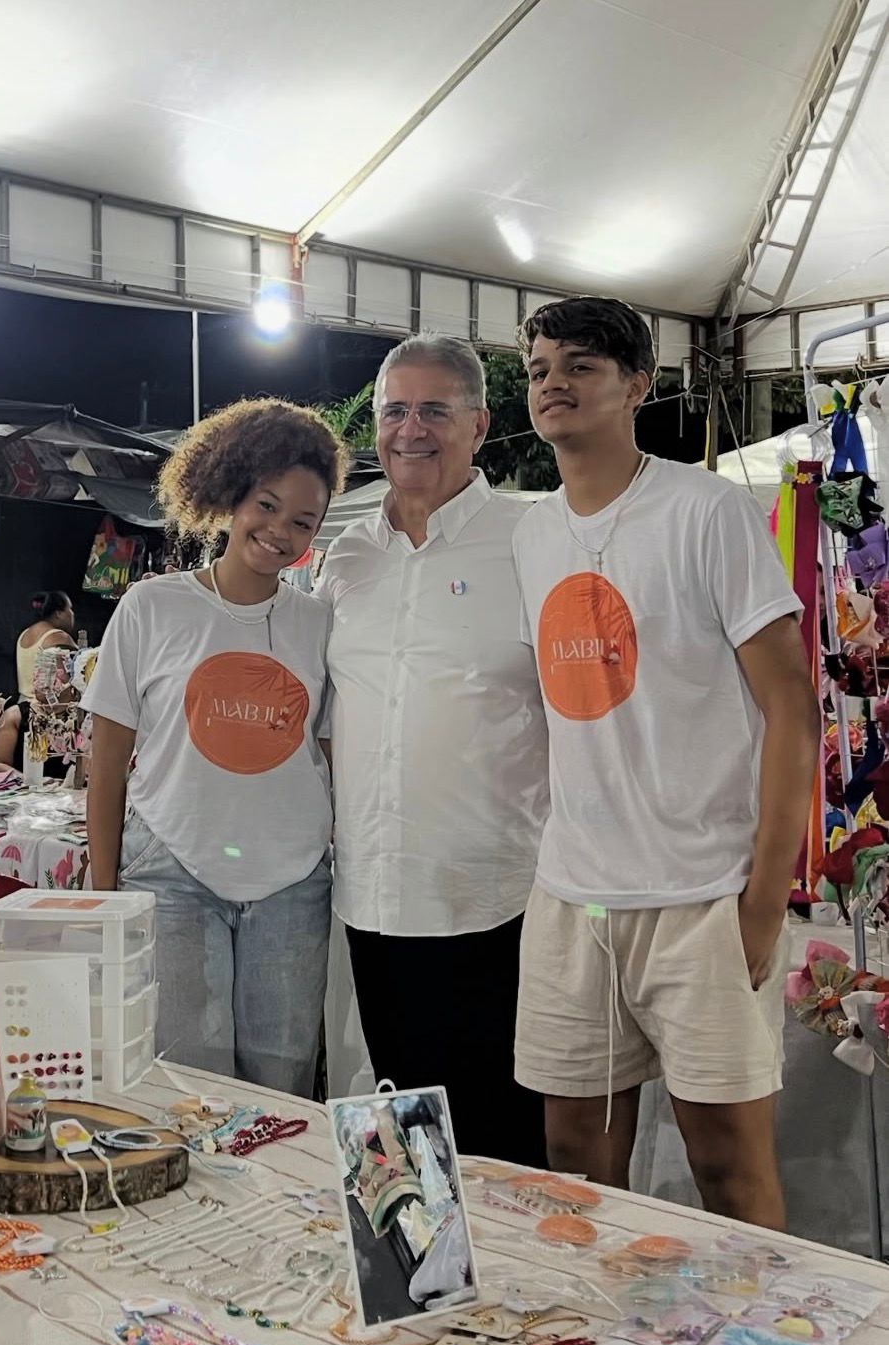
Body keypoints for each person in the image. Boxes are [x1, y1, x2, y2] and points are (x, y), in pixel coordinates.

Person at [510, 296, 820, 1229]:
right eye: (538, 370)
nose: (554, 384)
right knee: (576, 1162)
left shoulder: (706, 509)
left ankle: (768, 1325)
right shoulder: (531, 533)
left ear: (638, 385)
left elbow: (792, 708)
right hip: (574, 898)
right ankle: (603, 1319)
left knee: (727, 1167)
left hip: (701, 895)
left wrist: (763, 897)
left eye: (580, 365)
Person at [319, 334, 549, 1165]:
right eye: (394, 411)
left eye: (433, 411)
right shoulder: (346, 556)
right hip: (373, 899)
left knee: (504, 1145)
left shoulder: (533, 539)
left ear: (479, 425)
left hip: (495, 901)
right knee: (405, 1147)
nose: (409, 430)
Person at [82, 398, 347, 1095]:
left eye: (303, 522)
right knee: (185, 1088)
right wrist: (105, 896)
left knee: (283, 1086)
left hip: (293, 885)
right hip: (170, 874)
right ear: (231, 495)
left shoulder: (320, 624)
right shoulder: (151, 607)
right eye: (267, 505)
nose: (279, 531)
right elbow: (105, 766)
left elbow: (331, 757)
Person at [0, 590, 80, 769]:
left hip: (23, 708)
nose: (72, 614)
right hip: (47, 714)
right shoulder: (59, 637)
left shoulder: (25, 634)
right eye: (70, 609)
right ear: (58, 613)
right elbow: (81, 669)